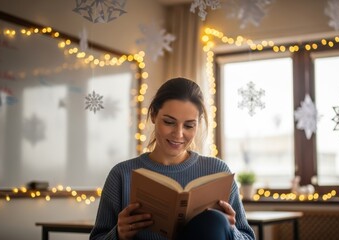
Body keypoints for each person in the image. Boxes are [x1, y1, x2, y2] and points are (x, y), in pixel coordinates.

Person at [90, 77, 255, 240]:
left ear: (199, 124)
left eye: (189, 125)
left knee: (215, 221)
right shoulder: (122, 174)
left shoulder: (218, 171)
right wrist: (118, 234)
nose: (179, 134)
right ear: (154, 115)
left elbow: (247, 237)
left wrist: (230, 230)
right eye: (169, 122)